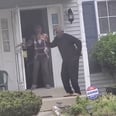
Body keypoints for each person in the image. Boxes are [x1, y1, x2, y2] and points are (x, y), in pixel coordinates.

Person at [49, 26, 82, 96]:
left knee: (73, 76)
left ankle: (77, 92)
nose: (56, 34)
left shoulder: (68, 37)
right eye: (55, 33)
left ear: (62, 32)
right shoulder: (57, 39)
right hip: (66, 60)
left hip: (73, 59)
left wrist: (78, 53)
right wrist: (45, 41)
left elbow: (78, 42)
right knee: (63, 76)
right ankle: (69, 92)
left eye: (57, 32)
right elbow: (51, 45)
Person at [25, 25, 50, 89]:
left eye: (39, 28)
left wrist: (47, 52)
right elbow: (29, 44)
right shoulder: (33, 37)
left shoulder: (45, 35)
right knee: (35, 70)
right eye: (36, 29)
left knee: (45, 70)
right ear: (34, 30)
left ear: (41, 29)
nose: (38, 30)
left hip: (44, 56)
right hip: (37, 56)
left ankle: (47, 84)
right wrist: (25, 44)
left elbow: (48, 44)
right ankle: (34, 84)